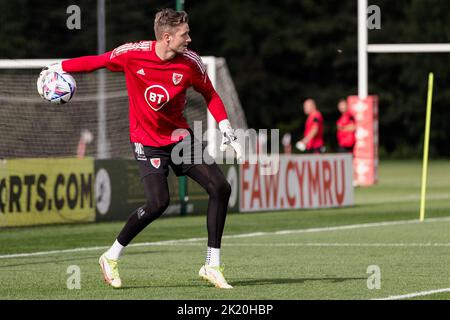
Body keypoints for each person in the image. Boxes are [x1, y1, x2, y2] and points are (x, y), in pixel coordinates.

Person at [37, 8, 242, 289]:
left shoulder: (191, 63)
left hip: (180, 138)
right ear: (167, 37)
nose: (190, 39)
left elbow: (210, 93)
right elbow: (98, 61)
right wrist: (60, 67)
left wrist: (225, 126)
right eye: (185, 34)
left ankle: (212, 264)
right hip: (147, 142)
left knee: (220, 187)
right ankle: (110, 257)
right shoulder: (133, 54)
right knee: (158, 204)